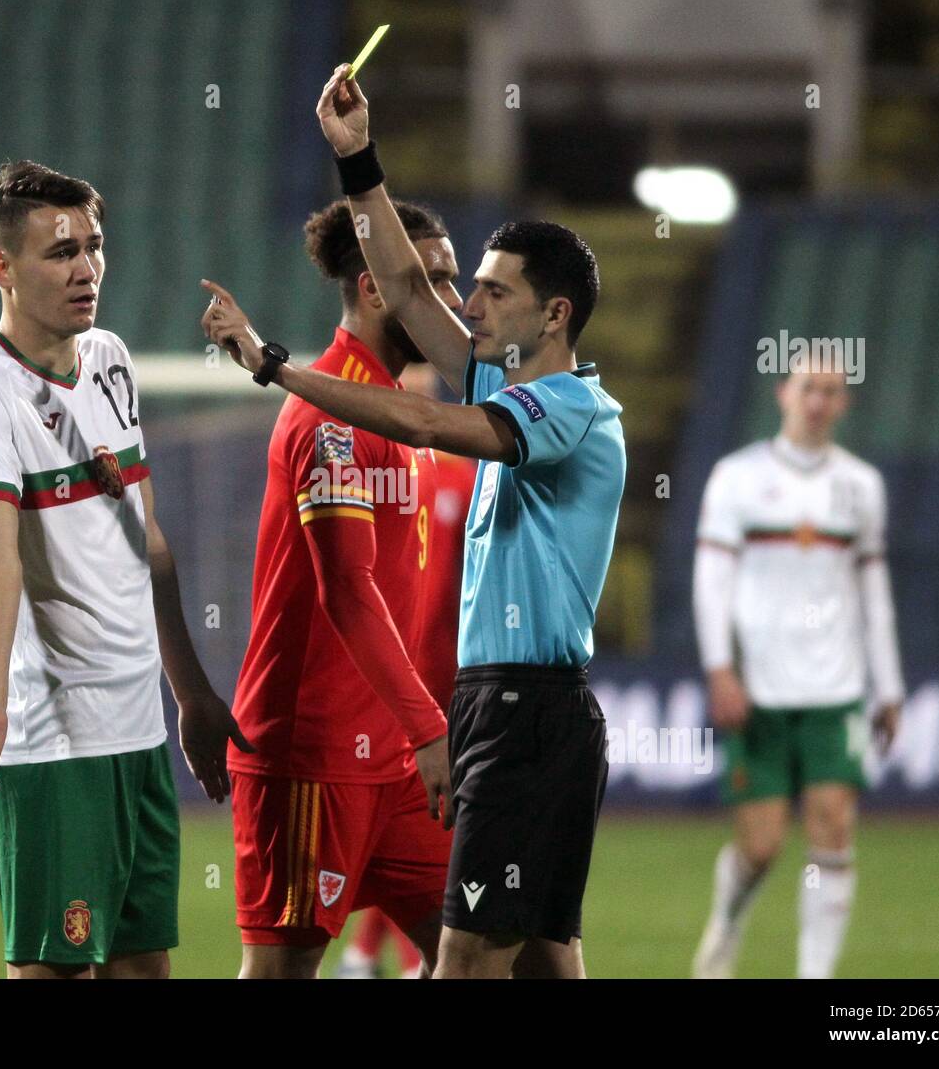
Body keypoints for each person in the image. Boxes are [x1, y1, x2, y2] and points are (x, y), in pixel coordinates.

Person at [202, 64, 626, 978]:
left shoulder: (565, 411)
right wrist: (359, 159)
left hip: (524, 712)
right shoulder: (503, 382)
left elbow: (429, 421)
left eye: (489, 293)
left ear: (553, 315)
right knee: (543, 962)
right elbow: (399, 283)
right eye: (463, 287)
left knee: (470, 959)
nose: (464, 306)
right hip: (471, 711)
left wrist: (273, 367)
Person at [0, 160, 244, 979]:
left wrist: (192, 691)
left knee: (144, 970)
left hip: (137, 732)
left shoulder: (108, 358)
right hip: (51, 740)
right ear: (2, 268)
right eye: (60, 251)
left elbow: (146, 538)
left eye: (94, 246)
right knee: (55, 973)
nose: (86, 268)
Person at [225, 198, 463, 979]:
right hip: (314, 751)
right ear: (372, 289)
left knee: (486, 951)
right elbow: (348, 591)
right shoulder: (327, 419)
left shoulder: (402, 416)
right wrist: (431, 728)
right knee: (282, 974)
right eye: (433, 284)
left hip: (393, 755)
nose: (452, 306)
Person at [691, 367, 904, 979]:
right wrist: (719, 668)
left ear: (844, 403)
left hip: (836, 690)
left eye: (831, 391)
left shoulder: (860, 486)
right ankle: (727, 923)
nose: (818, 401)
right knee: (760, 847)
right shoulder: (739, 477)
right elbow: (712, 581)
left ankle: (816, 977)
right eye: (808, 388)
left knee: (833, 828)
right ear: (784, 393)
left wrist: (888, 687)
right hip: (760, 687)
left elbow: (874, 591)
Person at [338, 364, 478, 981]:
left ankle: (368, 956)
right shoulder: (364, 473)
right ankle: (378, 955)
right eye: (401, 395)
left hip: (450, 678)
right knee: (397, 821)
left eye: (422, 397)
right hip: (391, 681)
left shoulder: (462, 476)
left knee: (428, 824)